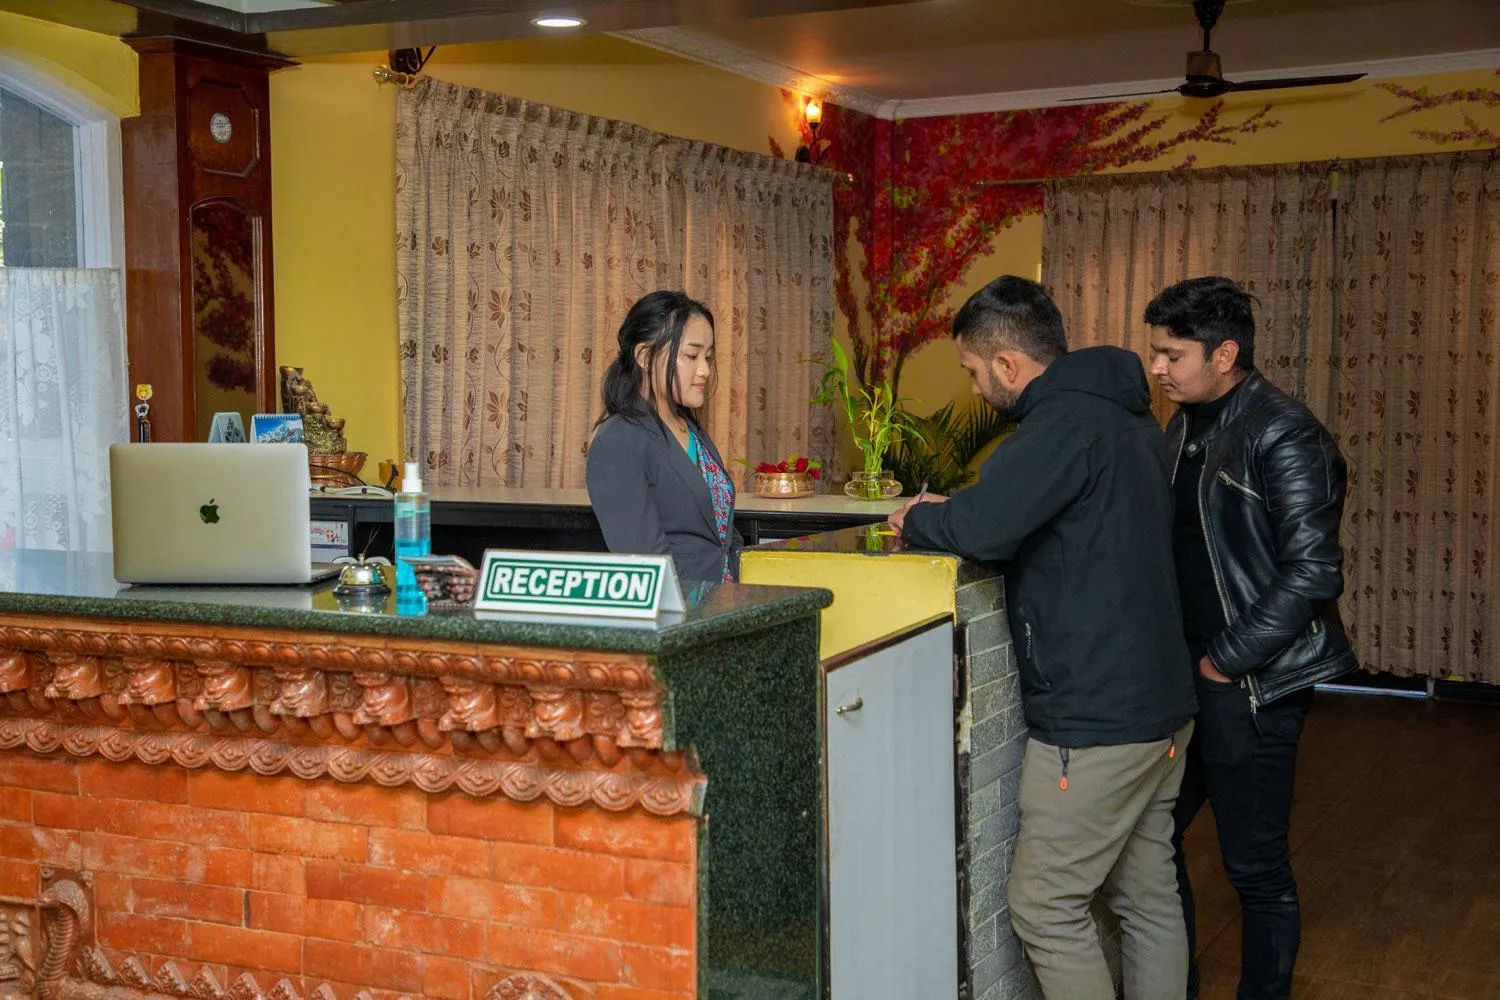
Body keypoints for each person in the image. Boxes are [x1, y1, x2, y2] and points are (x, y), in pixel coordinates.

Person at [890, 275, 1197, 1000]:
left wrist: (918, 519)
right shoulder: (1125, 417)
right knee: (1146, 897)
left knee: (1045, 906)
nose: (974, 390)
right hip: (1160, 711)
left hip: (1094, 722)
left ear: (1006, 365)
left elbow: (982, 528)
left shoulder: (1062, 424)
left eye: (972, 372)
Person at [1146, 276, 1356, 1000]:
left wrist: (1223, 661)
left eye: (1172, 354)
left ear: (1225, 352)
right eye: (1154, 352)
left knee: (1256, 869)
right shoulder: (1185, 424)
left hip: (1252, 683)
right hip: (1191, 679)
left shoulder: (1284, 431)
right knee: (1151, 842)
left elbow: (1312, 573)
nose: (1158, 368)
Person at [586, 290, 742, 582]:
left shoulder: (690, 429)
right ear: (645, 356)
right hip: (684, 614)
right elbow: (646, 564)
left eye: (708, 357)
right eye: (691, 356)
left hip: (725, 604)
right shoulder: (618, 441)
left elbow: (723, 534)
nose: (705, 370)